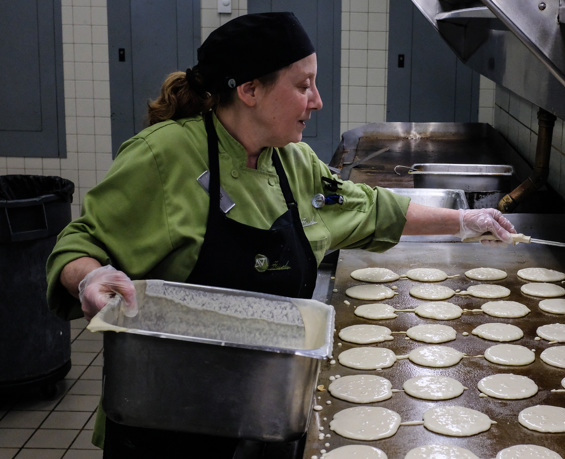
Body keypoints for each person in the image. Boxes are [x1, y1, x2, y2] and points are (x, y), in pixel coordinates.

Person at [46, 12, 515, 458]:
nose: (317, 101)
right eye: (303, 86)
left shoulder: (293, 164)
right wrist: (87, 276)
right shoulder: (163, 156)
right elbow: (80, 243)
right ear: (249, 89)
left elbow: (369, 207)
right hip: (170, 421)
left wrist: (463, 222)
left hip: (262, 416)